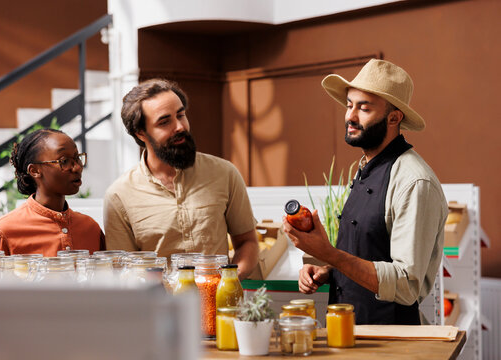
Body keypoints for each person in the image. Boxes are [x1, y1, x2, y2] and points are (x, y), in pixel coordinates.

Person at [284, 59, 448, 324]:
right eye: (350, 105)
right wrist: (330, 270)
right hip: (349, 333)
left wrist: (330, 254)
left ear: (394, 118)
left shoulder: (415, 182)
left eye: (364, 108)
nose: (350, 116)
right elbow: (370, 254)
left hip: (389, 342)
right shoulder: (368, 167)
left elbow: (406, 285)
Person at [104, 78, 259, 280]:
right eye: (164, 121)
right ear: (141, 133)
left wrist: (228, 282)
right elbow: (123, 273)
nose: (179, 126)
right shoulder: (119, 196)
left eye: (181, 115)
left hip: (219, 306)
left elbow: (248, 242)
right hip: (158, 308)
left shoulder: (224, 173)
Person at [0, 129, 105, 256]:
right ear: (34, 171)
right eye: (64, 161)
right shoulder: (3, 232)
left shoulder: (91, 229)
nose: (77, 167)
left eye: (77, 158)